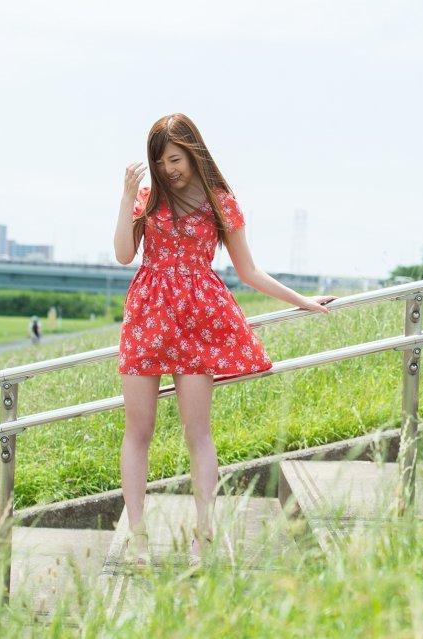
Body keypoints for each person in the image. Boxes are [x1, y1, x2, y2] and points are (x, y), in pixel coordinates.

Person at [112, 114, 338, 569]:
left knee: (198, 432)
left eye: (175, 159)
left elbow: (248, 270)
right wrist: (125, 198)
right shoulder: (147, 197)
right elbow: (123, 255)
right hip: (148, 315)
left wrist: (302, 301)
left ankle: (204, 537)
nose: (168, 169)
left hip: (197, 320)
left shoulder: (220, 201)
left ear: (193, 152)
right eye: (161, 162)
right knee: (139, 430)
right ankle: (138, 540)